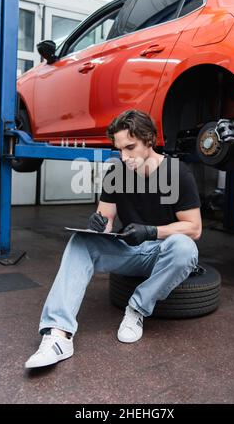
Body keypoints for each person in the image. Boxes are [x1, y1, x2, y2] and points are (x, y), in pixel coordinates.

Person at [25, 110, 202, 369]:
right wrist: (98, 224)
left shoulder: (176, 172)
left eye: (130, 147)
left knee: (185, 249)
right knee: (80, 242)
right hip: (129, 251)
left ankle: (136, 309)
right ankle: (58, 335)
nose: (125, 157)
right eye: (119, 149)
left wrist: (150, 231)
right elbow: (105, 218)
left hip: (162, 251)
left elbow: (194, 228)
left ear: (149, 139)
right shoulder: (117, 172)